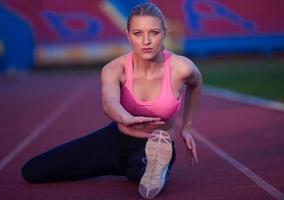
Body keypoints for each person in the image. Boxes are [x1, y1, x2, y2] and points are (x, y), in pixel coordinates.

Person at [21, 2, 202, 199]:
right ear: (128, 35)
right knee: (33, 171)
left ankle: (154, 169)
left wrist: (187, 127)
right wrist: (126, 118)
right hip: (116, 139)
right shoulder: (115, 69)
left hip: (156, 144)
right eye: (138, 33)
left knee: (141, 169)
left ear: (164, 34)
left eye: (154, 32)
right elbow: (109, 102)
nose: (146, 41)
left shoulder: (181, 68)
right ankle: (141, 169)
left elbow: (196, 84)